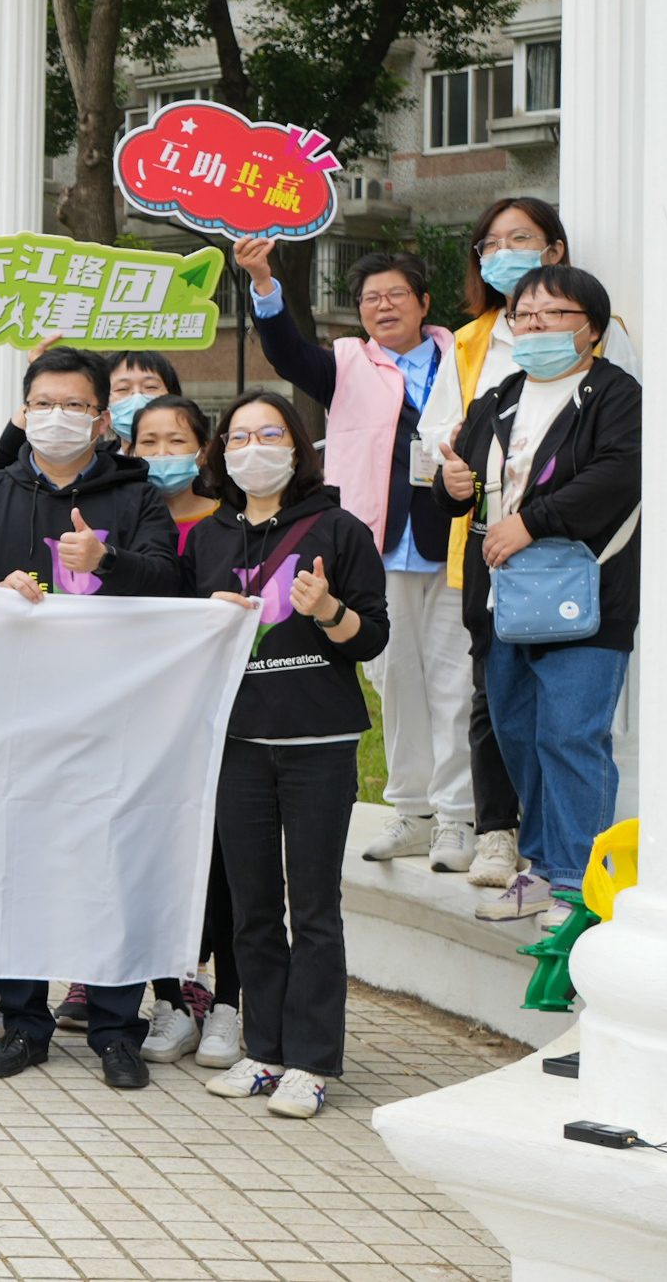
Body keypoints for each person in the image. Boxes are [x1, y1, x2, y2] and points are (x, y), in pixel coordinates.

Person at [0, 345, 186, 1090]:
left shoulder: (134, 496)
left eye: (74, 406)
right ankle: (24, 1024)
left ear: (103, 420)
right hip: (14, 712)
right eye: (44, 403)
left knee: (112, 867)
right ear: (22, 411)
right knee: (19, 866)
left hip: (114, 714)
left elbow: (170, 582)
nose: (58, 418)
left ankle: (115, 1028)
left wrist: (106, 561)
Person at [234, 240, 475, 874]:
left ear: (425, 303)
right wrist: (264, 283)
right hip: (377, 547)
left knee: (454, 683)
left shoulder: (467, 357)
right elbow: (286, 350)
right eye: (370, 299)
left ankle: (457, 818)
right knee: (396, 684)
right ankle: (414, 814)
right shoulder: (345, 363)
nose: (383, 306)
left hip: (453, 544)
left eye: (397, 294)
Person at [192, 391, 390, 1119]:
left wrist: (326, 612)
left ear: (297, 446)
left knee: (313, 906)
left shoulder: (339, 531)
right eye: (238, 436)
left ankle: (311, 1061)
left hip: (318, 744)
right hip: (238, 745)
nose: (254, 447)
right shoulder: (207, 537)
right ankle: (263, 1049)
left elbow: (372, 636)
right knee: (251, 908)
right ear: (221, 454)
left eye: (270, 433)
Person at [436, 265, 641, 928]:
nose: (535, 326)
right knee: (520, 735)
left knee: (570, 735)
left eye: (554, 315)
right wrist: (453, 485)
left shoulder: (614, 394)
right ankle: (545, 868)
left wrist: (532, 521)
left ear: (592, 330)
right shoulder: (496, 398)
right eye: (524, 315)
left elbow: (620, 474)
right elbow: (453, 492)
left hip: (585, 598)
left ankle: (583, 891)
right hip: (503, 604)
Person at [126, 395, 242, 1070]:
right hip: (142, 717)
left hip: (215, 718)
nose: (160, 453)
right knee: (153, 857)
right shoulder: (122, 521)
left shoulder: (224, 527)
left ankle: (226, 1001)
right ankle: (167, 1000)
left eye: (175, 440)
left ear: (202, 450)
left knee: (221, 863)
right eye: (146, 441)